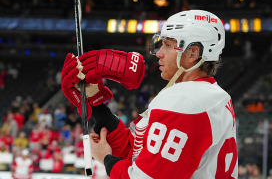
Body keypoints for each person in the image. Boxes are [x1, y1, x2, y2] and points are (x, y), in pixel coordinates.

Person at [61, 10, 237, 178]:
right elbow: (134, 151)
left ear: (193, 52)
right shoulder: (203, 95)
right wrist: (95, 104)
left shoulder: (186, 102)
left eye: (168, 45)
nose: (159, 53)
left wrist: (106, 159)